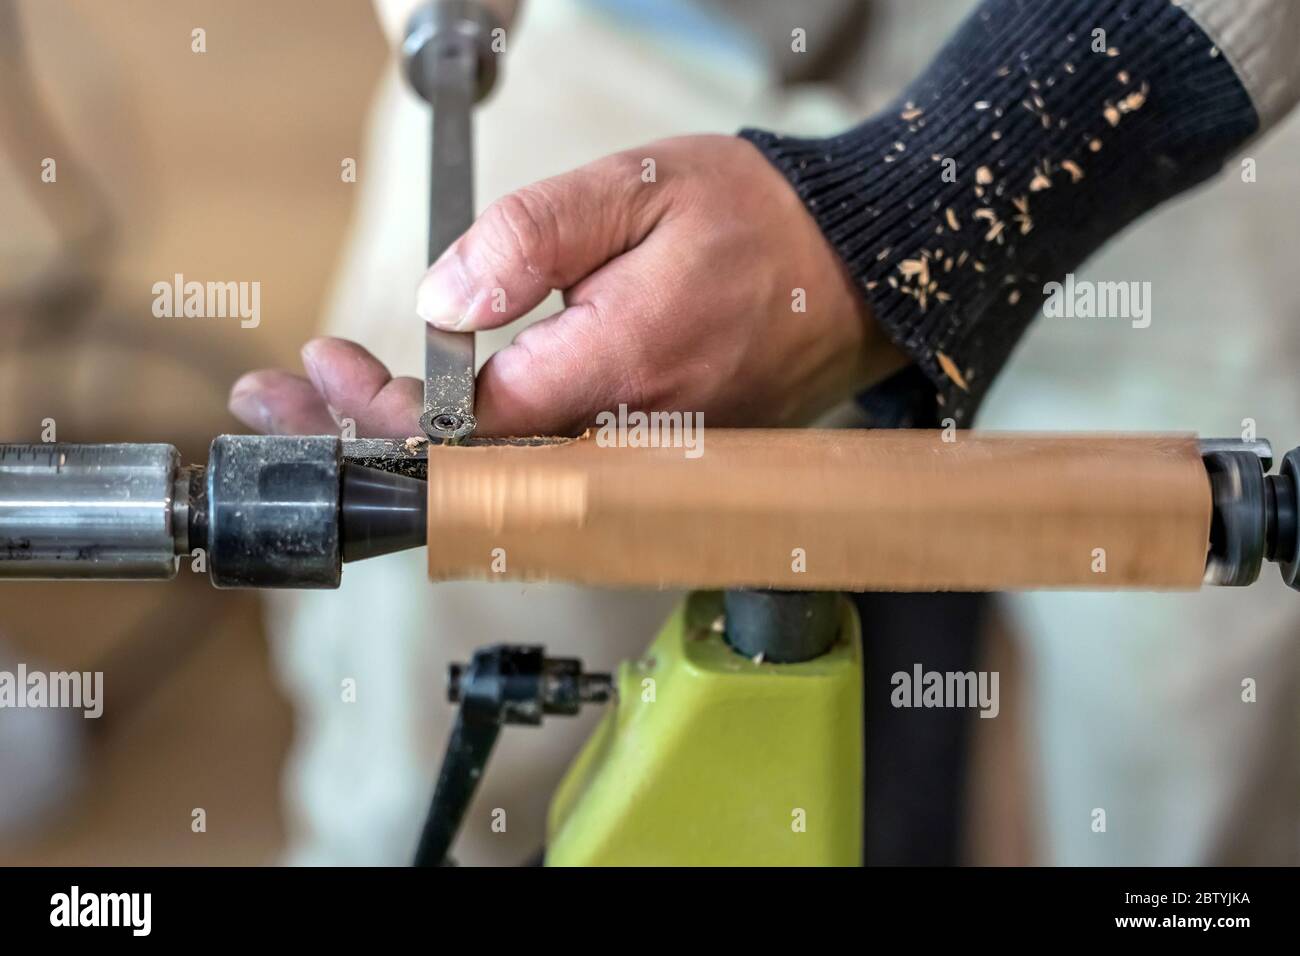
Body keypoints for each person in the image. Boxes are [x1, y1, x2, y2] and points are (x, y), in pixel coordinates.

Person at [232, 0, 1300, 863]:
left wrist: (890, 224)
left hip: (1129, 70)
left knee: (1203, 696)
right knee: (417, 618)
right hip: (639, 36)